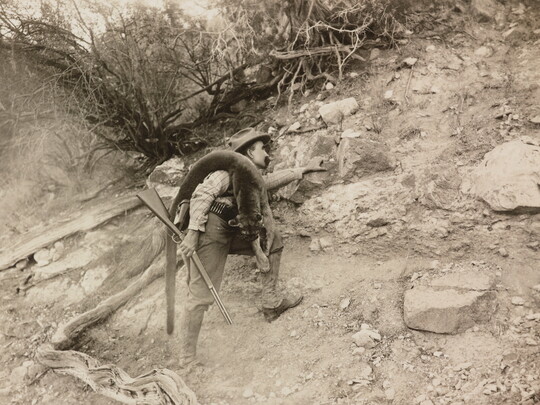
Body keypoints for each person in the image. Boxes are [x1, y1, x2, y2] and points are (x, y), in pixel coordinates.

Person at [176, 127, 326, 367]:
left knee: (272, 240)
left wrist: (301, 170)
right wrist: (192, 234)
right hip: (211, 230)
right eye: (262, 148)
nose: (266, 153)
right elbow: (202, 194)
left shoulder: (250, 176)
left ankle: (272, 301)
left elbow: (266, 183)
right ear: (248, 151)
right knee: (200, 294)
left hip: (233, 227)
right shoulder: (227, 171)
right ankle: (187, 358)